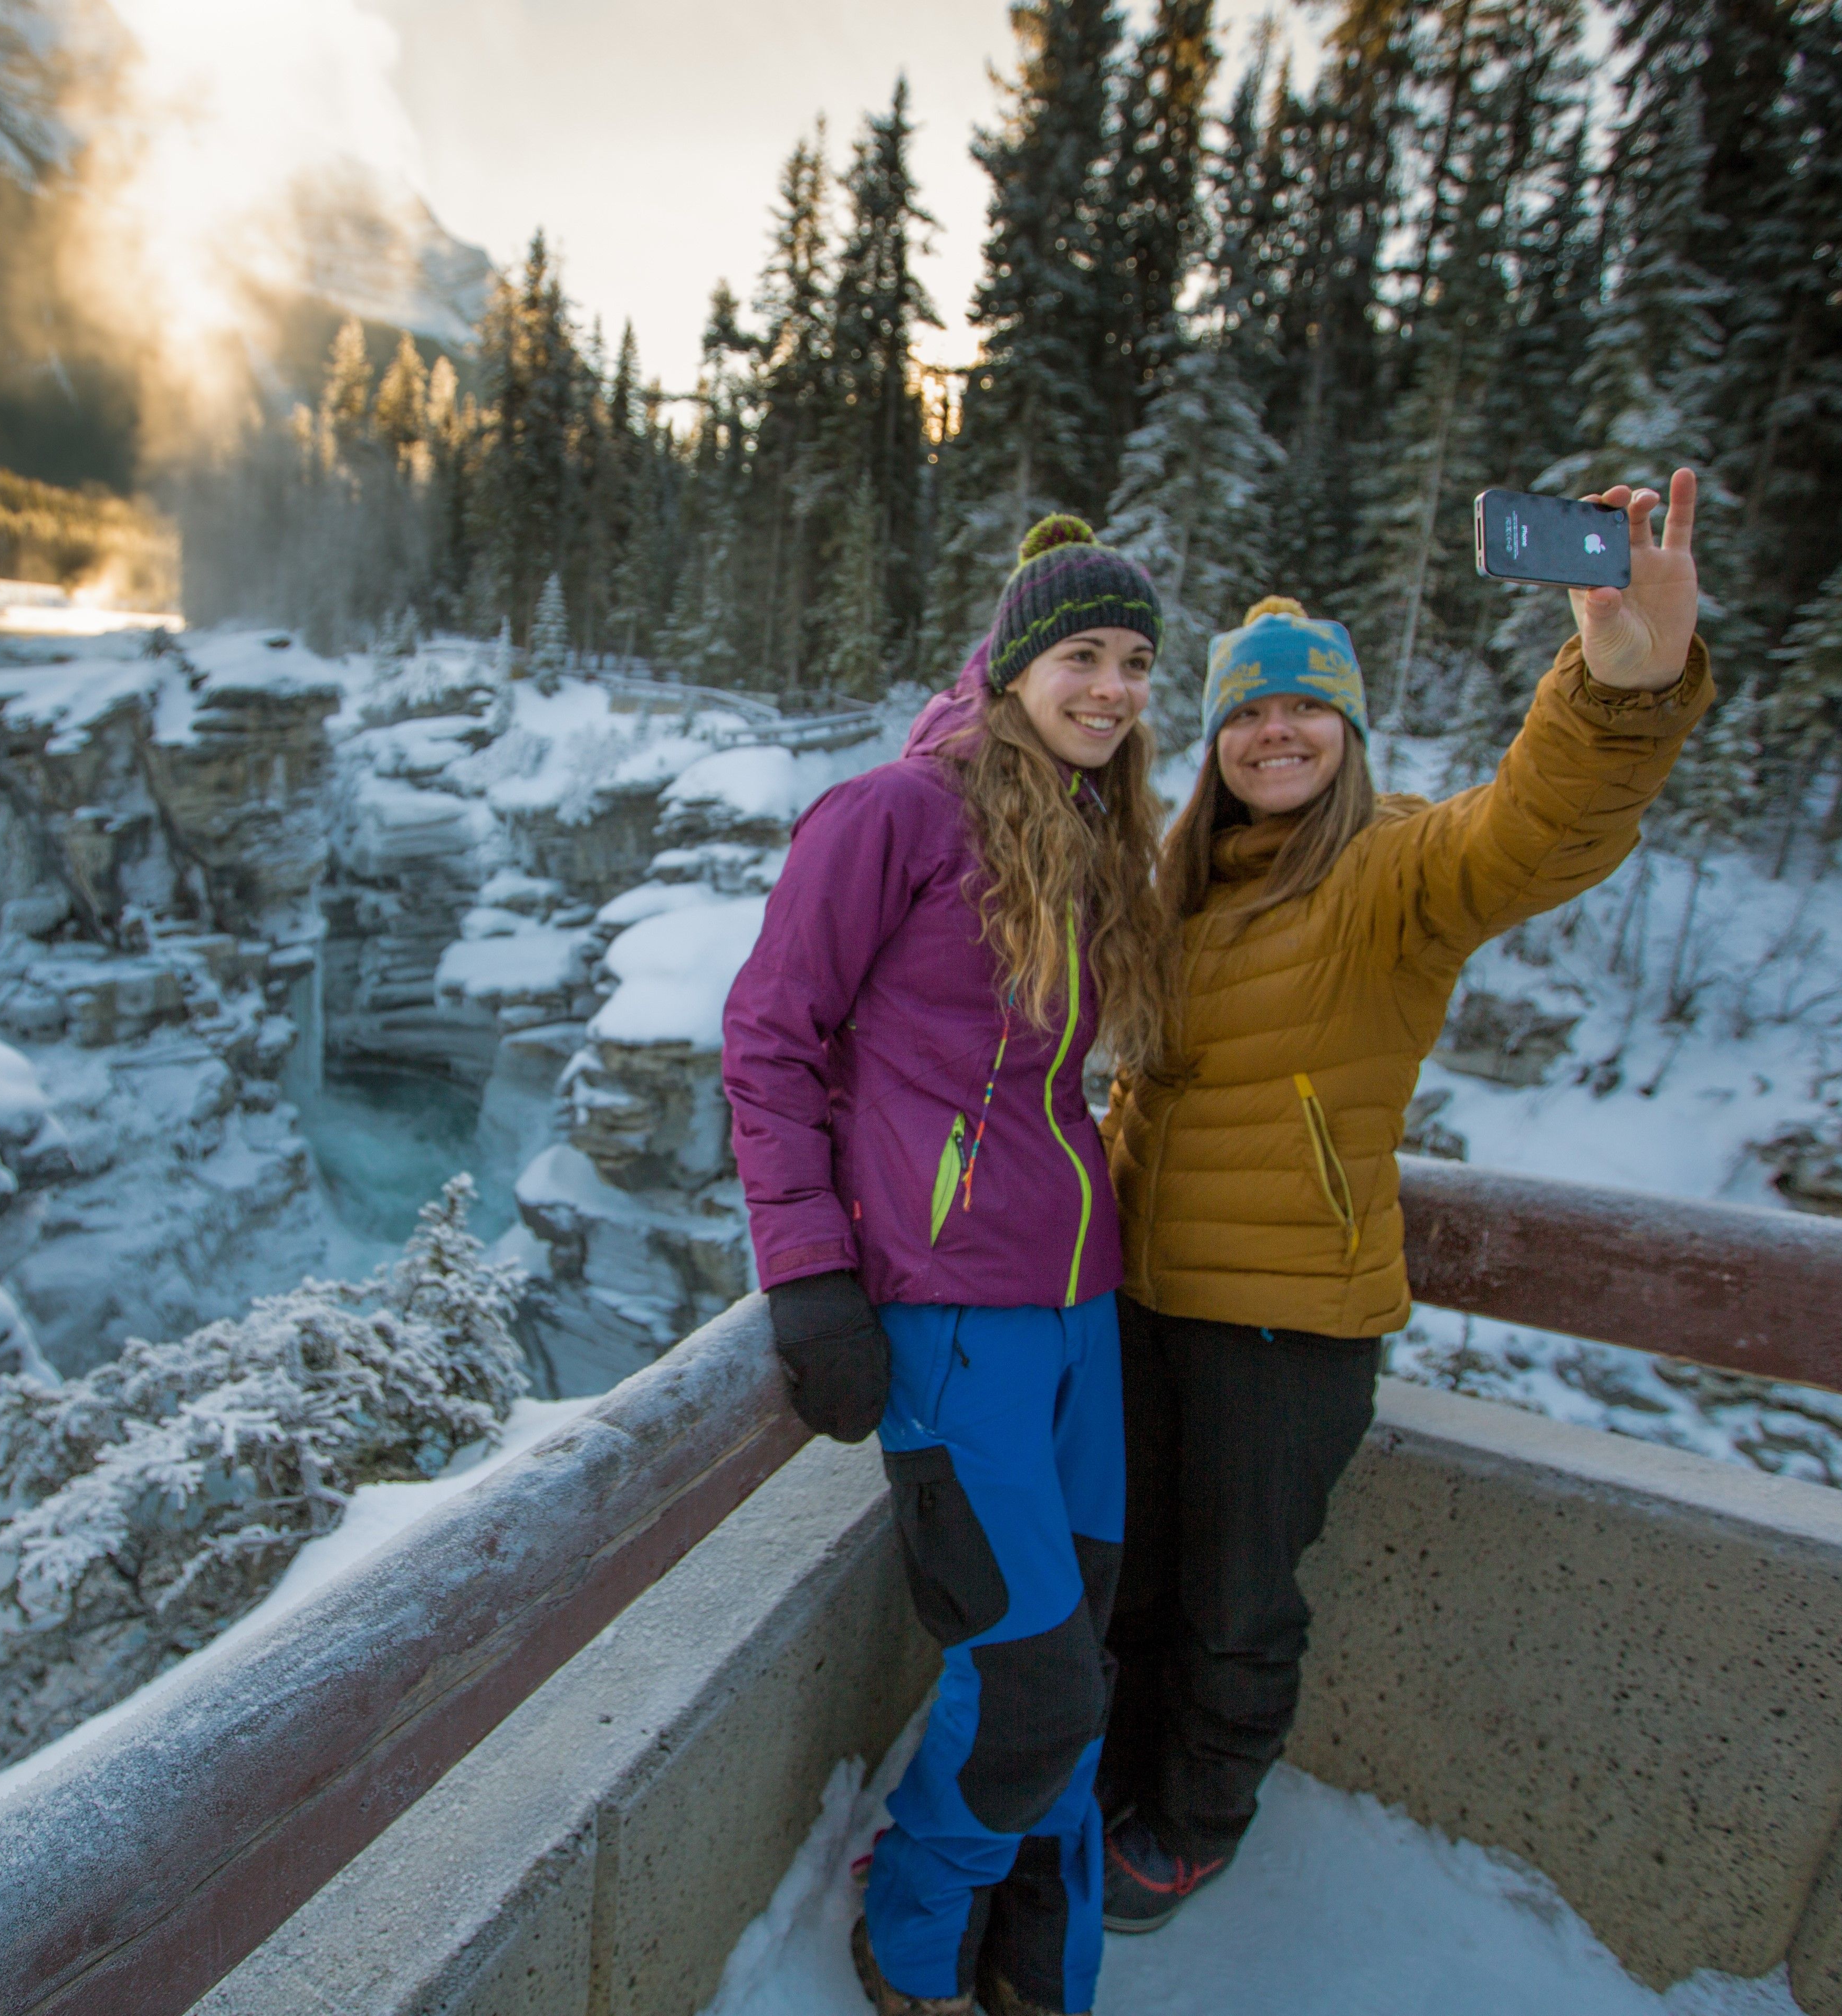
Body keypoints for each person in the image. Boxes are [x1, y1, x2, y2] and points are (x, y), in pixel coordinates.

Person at [1094, 474, 1712, 1931]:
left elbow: (1538, 829)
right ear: (1218, 739)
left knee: (1237, 1603)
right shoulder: (1172, 887)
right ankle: (1104, 1781)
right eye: (1248, 712)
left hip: (1286, 1331)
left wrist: (1622, 689)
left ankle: (1189, 1825)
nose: (1276, 731)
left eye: (1307, 709)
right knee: (1128, 1582)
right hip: (1134, 1303)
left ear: (1348, 732)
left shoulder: (1391, 874)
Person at [722, 515, 1167, 2016]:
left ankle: (1044, 1940)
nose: (1110, 689)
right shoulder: (894, 816)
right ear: (1018, 664)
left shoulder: (1094, 833)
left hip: (1080, 1310)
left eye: (1136, 664)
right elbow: (768, 1041)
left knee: (1068, 1644)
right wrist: (809, 1276)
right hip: (953, 1321)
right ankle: (912, 1934)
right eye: (1083, 657)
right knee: (1031, 1667)